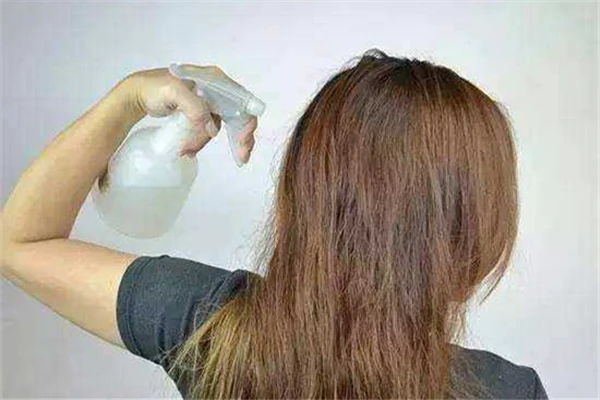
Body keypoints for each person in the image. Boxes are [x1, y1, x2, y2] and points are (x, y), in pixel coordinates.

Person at [1, 50, 547, 399]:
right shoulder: (505, 393)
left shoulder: (215, 328)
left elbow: (20, 242)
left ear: (304, 192)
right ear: (476, 225)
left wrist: (130, 97)